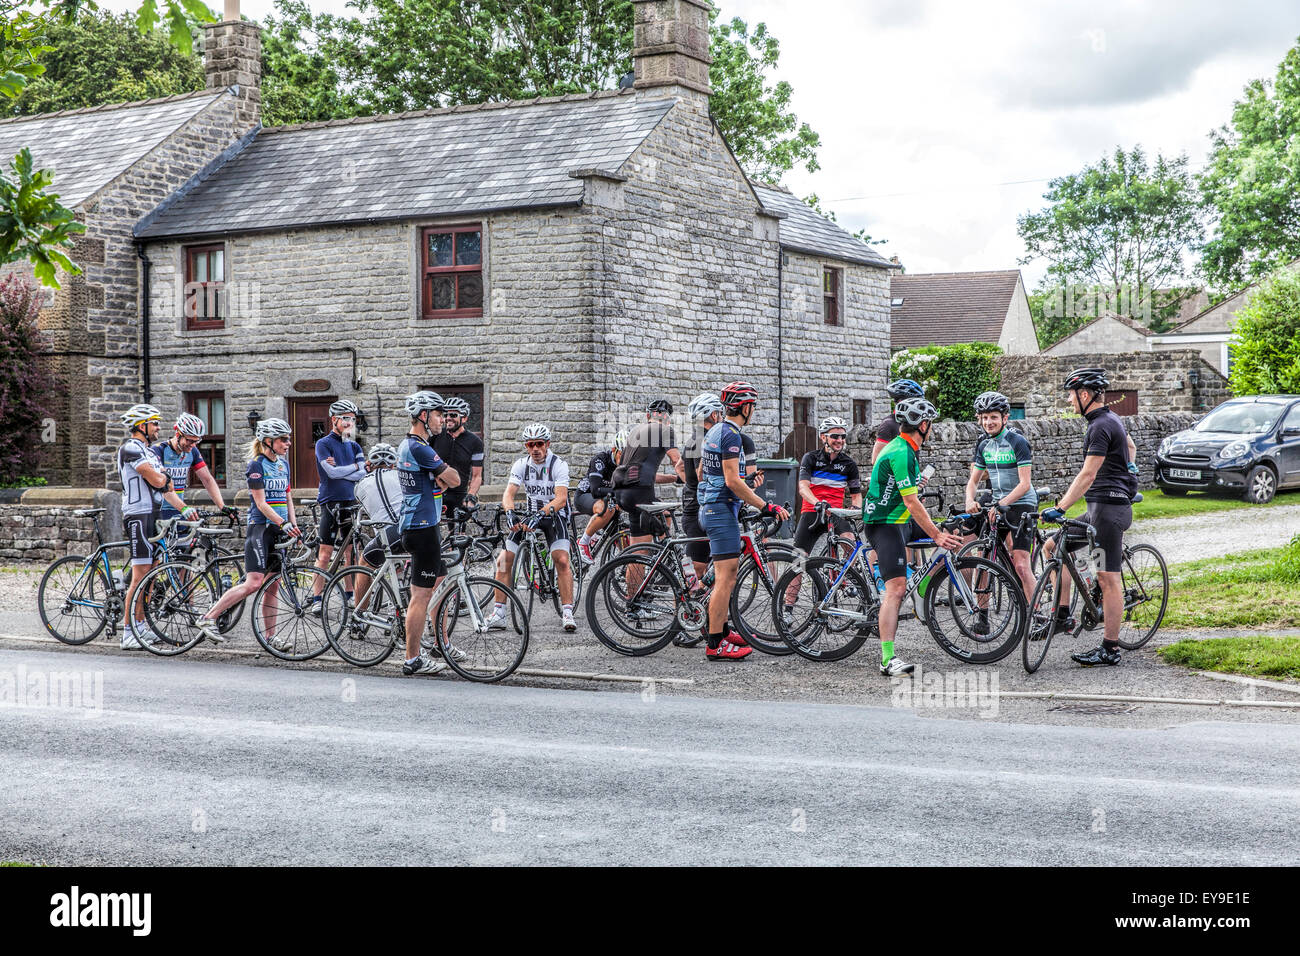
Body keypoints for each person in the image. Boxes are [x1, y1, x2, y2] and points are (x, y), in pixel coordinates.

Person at [1041, 367, 1139, 667]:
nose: (1070, 400)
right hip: (1097, 510)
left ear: (1085, 395)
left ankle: (1110, 648)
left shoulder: (1100, 425)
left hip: (1109, 511)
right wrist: (1129, 470)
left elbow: (1088, 474)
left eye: (1071, 395)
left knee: (1107, 578)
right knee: (1052, 547)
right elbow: (1131, 446)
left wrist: (1060, 507)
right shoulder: (1109, 420)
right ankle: (1061, 616)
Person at [863, 397, 962, 676]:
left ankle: (923, 586)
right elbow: (911, 502)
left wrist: (940, 532)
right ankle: (887, 659)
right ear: (924, 425)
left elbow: (907, 493)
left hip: (901, 519)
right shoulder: (901, 452)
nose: (932, 429)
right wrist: (935, 535)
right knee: (895, 589)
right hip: (884, 522)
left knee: (952, 530)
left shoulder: (909, 449)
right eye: (931, 424)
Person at [698, 382, 789, 661]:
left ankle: (722, 630)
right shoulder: (732, 435)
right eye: (753, 406)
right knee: (725, 578)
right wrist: (765, 504)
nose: (754, 411)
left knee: (727, 576)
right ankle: (715, 643)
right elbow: (730, 480)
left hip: (716, 506)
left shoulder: (715, 429)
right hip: (720, 510)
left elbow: (705, 473)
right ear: (745, 407)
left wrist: (738, 487)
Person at [194, 418, 300, 649]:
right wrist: (284, 523)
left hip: (279, 529)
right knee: (253, 583)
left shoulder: (283, 465)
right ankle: (208, 617)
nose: (288, 443)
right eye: (283, 439)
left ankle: (271, 638)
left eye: (288, 439)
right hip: (261, 529)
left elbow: (287, 496)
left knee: (273, 585)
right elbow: (261, 503)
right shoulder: (256, 466)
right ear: (268, 441)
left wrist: (293, 523)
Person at [117, 404, 200, 649]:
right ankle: (128, 631)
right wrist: (163, 477)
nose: (157, 428)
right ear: (141, 425)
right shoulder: (131, 448)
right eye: (153, 423)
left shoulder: (150, 453)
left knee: (150, 576)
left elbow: (167, 488)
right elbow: (157, 479)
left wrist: (185, 508)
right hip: (138, 514)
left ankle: (141, 625)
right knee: (140, 575)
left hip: (154, 514)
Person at [486, 423, 577, 632]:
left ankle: (567, 612)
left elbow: (561, 499)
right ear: (526, 446)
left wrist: (542, 513)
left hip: (554, 514)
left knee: (561, 559)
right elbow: (508, 494)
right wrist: (509, 512)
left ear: (547, 444)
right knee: (502, 560)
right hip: (530, 514)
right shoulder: (521, 464)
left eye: (539, 444)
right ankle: (499, 613)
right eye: (530, 444)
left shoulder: (558, 464)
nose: (535, 449)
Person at [396, 391, 461, 676]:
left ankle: (439, 642)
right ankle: (412, 658)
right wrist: (445, 478)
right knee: (420, 596)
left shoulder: (412, 445)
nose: (442, 420)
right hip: (421, 528)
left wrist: (443, 481)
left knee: (441, 582)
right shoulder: (420, 448)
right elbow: (456, 479)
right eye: (437, 414)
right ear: (423, 416)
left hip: (423, 525)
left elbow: (441, 486)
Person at [782, 416, 862, 622]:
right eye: (835, 436)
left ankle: (843, 580)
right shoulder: (811, 458)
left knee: (852, 545)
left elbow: (855, 495)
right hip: (812, 512)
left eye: (843, 436)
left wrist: (855, 510)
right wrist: (817, 502)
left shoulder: (848, 464)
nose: (840, 440)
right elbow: (803, 488)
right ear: (823, 437)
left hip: (836, 513)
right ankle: (788, 607)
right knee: (798, 559)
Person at [964, 391, 1037, 606]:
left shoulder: (1017, 442)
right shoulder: (983, 444)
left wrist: (1001, 503)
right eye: (984, 417)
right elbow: (973, 481)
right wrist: (969, 499)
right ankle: (982, 615)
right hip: (997, 502)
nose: (989, 422)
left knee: (1021, 565)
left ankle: (1037, 615)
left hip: (1022, 502)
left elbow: (1024, 484)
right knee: (983, 559)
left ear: (1005, 418)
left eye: (994, 417)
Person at [311, 399, 367, 611]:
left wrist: (349, 469)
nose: (349, 422)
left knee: (351, 552)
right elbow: (331, 474)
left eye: (352, 419)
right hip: (330, 501)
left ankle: (350, 594)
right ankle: (317, 599)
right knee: (324, 553)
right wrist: (353, 467)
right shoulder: (323, 444)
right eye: (345, 418)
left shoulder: (354, 445)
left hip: (350, 501)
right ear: (334, 419)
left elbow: (363, 472)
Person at [610, 398, 686, 545]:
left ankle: (655, 559)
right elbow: (678, 462)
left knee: (640, 549)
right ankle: (661, 559)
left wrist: (674, 478)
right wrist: (695, 483)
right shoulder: (665, 430)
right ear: (667, 418)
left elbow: (643, 473)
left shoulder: (634, 432)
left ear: (648, 416)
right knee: (664, 520)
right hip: (640, 494)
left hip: (623, 493)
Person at [151, 413, 234, 522]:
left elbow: (207, 479)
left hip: (179, 509)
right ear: (178, 434)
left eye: (196, 441)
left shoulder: (192, 451)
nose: (193, 445)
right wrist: (184, 508)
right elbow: (162, 486)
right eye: (189, 440)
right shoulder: (159, 451)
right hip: (159, 510)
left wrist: (222, 506)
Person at [352, 442, 403, 609]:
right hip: (411, 529)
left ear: (370, 463)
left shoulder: (361, 484)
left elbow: (361, 502)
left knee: (364, 564)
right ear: (393, 463)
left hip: (388, 535)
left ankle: (359, 616)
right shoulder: (402, 477)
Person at [574, 428, 628, 564]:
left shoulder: (627, 467)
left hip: (609, 499)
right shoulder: (600, 460)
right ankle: (583, 542)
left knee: (626, 548)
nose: (624, 460)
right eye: (622, 455)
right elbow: (596, 490)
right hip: (585, 496)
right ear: (614, 449)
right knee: (607, 507)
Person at [433, 396, 484, 524]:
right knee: (434, 536)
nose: (448, 418)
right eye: (446, 414)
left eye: (453, 414)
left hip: (459, 495)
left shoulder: (475, 442)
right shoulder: (435, 436)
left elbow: (477, 476)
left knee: (459, 539)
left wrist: (471, 495)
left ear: (464, 418)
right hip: (437, 492)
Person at [872, 379, 925, 464]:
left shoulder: (912, 424)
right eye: (915, 402)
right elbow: (876, 460)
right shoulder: (888, 424)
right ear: (902, 402)